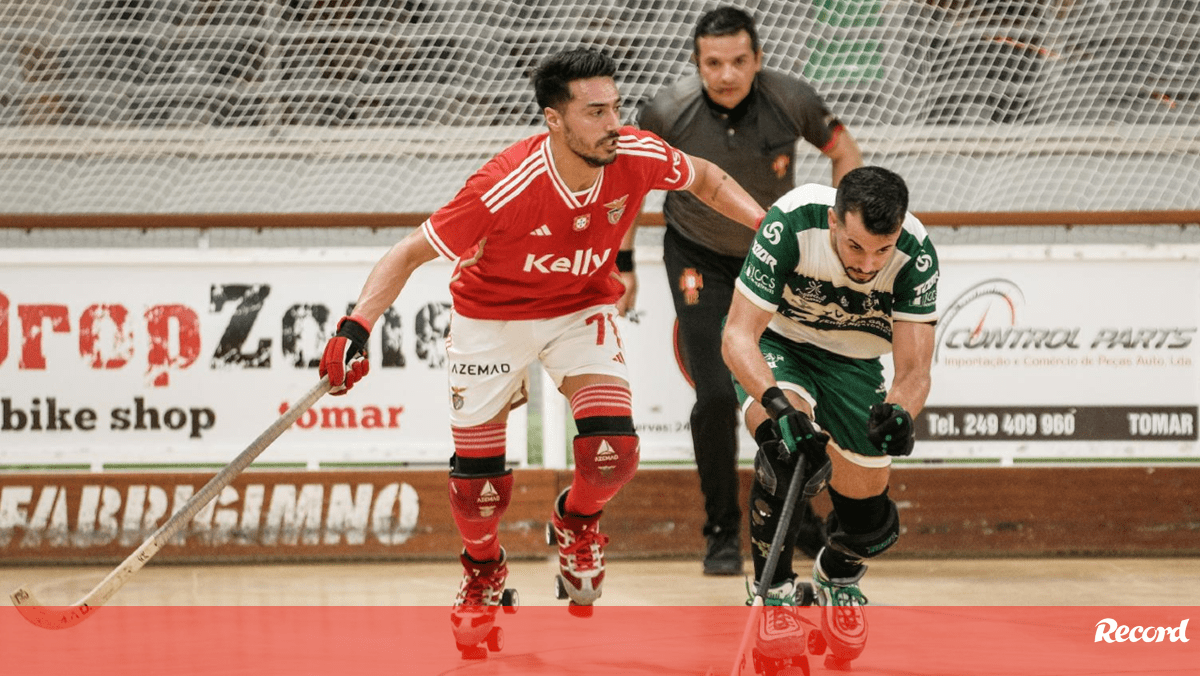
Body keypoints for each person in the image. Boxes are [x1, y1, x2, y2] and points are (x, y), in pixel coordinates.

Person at [318, 49, 766, 622]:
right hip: (489, 320)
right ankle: (483, 569)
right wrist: (355, 327)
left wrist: (765, 226)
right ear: (554, 120)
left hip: (579, 310)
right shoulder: (502, 184)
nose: (613, 125)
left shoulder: (633, 151)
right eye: (595, 112)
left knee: (614, 455)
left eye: (616, 108)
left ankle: (576, 523)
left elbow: (705, 178)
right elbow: (408, 253)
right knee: (478, 494)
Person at [632, 6, 863, 576]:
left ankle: (800, 520)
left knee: (778, 393)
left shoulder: (792, 99)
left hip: (773, 262)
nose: (727, 74)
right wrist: (618, 261)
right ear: (697, 62)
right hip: (695, 259)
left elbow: (845, 151)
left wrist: (841, 232)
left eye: (738, 61)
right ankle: (720, 533)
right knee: (714, 396)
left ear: (758, 60)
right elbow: (626, 177)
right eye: (713, 62)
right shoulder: (667, 109)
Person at [721, 166, 938, 664]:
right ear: (835, 222)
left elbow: (914, 369)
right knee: (787, 452)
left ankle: (836, 576)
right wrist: (777, 406)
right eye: (856, 247)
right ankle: (773, 595)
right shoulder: (793, 223)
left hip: (853, 363)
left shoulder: (917, 256)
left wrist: (902, 414)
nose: (868, 264)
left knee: (872, 526)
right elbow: (737, 336)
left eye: (882, 250)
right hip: (779, 343)